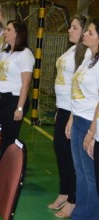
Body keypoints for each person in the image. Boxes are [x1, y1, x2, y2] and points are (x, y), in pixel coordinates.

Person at [48, 15, 89, 218]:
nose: (69, 30)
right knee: (61, 152)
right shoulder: (72, 50)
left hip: (75, 111)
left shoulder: (86, 54)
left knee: (74, 159)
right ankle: (64, 192)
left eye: (74, 27)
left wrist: (71, 112)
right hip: (64, 108)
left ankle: (73, 199)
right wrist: (59, 109)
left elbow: (79, 86)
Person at [66, 18, 99, 220]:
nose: (85, 34)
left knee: (90, 175)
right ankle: (80, 212)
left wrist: (92, 131)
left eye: (90, 32)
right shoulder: (88, 57)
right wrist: (71, 117)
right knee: (80, 172)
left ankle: (90, 215)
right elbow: (76, 90)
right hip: (78, 119)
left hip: (89, 122)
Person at [0, 21, 35, 153]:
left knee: (9, 137)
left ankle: (11, 168)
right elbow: (0, 78)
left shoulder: (25, 54)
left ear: (17, 33)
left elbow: (25, 84)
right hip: (0, 99)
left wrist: (19, 108)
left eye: (8, 30)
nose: (4, 32)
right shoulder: (6, 52)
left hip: (14, 100)